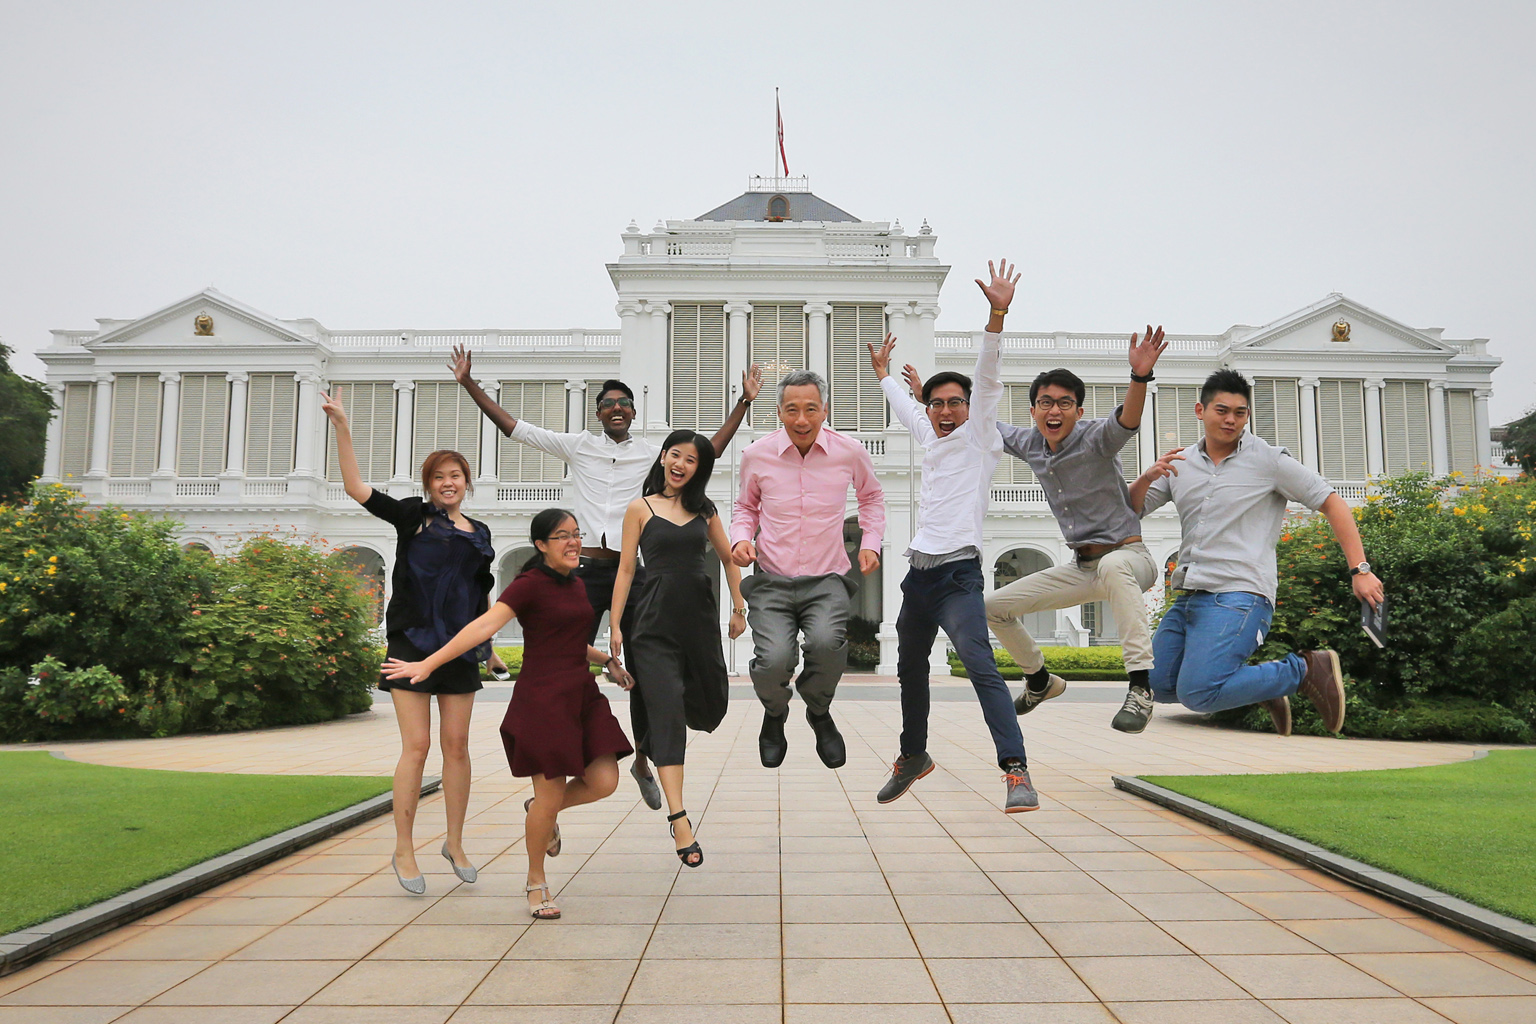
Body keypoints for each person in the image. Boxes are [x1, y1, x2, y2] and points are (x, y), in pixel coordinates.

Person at [449, 347, 760, 807]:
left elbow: (705, 451)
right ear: (598, 412)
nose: (617, 408)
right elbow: (513, 427)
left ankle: (643, 758)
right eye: (608, 403)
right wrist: (468, 384)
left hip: (635, 576)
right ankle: (553, 772)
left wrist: (743, 402)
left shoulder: (653, 454)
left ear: (634, 413)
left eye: (625, 403)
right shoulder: (578, 446)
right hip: (586, 571)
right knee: (562, 654)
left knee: (647, 671)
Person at [385, 508, 636, 920]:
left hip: (582, 696)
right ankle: (536, 882)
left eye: (576, 534)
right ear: (541, 545)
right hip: (543, 701)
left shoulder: (575, 585)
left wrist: (607, 660)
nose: (573, 542)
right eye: (562, 536)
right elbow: (482, 628)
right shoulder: (528, 585)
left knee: (604, 781)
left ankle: (542, 812)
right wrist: (427, 664)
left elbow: (569, 639)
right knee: (550, 792)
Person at [1128, 369, 1386, 734]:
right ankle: (1264, 686)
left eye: (1240, 412)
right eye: (1222, 410)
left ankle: (1305, 669)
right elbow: (1129, 511)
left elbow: (1332, 503)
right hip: (1189, 595)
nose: (1231, 419)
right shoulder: (1180, 464)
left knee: (1199, 692)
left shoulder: (1269, 461)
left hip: (1239, 592)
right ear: (1200, 410)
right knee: (1154, 685)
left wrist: (1360, 570)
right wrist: (1146, 477)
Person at [869, 259, 1038, 812]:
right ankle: (912, 755)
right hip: (918, 576)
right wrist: (885, 377)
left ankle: (1015, 769)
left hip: (959, 573)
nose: (944, 411)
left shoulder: (981, 437)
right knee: (909, 670)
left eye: (954, 403)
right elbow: (907, 411)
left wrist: (996, 314)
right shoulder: (931, 433)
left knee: (977, 660)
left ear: (971, 410)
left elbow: (987, 375)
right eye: (937, 404)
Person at [322, 385, 499, 894]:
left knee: (458, 747)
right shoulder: (412, 517)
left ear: (467, 483)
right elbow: (357, 487)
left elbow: (479, 597)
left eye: (456, 476)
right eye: (440, 477)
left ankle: (455, 841)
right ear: (429, 485)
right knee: (417, 747)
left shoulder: (482, 533)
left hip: (459, 650)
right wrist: (343, 427)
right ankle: (403, 848)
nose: (448, 483)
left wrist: (485, 651)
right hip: (411, 645)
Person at [730, 370, 885, 769]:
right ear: (779, 411)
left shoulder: (849, 451)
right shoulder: (757, 454)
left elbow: (872, 498)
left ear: (824, 410)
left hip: (826, 579)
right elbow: (745, 507)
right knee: (773, 661)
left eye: (811, 409)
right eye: (792, 410)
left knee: (828, 646)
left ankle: (818, 713)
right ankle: (775, 714)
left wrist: (869, 543)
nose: (802, 420)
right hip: (771, 580)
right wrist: (740, 539)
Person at [608, 430, 747, 867]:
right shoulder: (640, 508)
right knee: (668, 710)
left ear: (699, 469)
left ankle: (644, 751)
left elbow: (728, 558)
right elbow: (627, 568)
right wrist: (613, 625)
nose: (681, 463)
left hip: (699, 622)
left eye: (691, 459)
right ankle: (680, 818)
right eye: (675, 454)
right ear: (664, 457)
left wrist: (739, 607)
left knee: (710, 707)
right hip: (651, 624)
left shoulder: (704, 511)